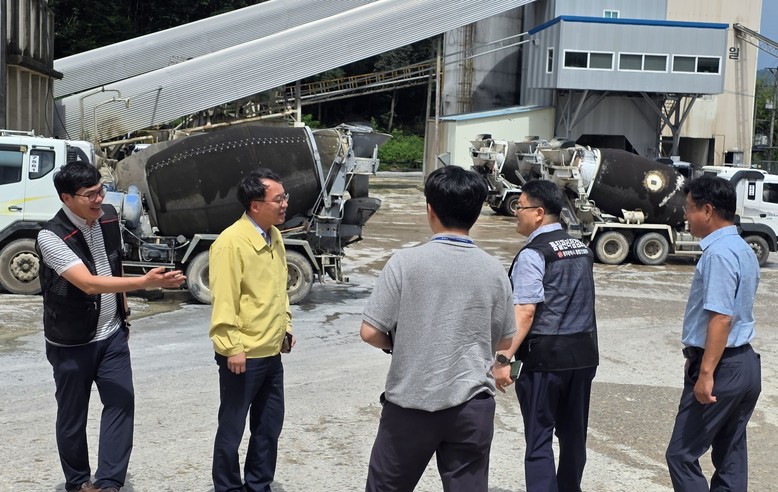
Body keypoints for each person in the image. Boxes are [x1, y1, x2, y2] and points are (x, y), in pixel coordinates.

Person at [360, 165, 516, 492]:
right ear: (476, 213)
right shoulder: (494, 270)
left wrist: (398, 343)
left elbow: (370, 332)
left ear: (430, 210)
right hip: (472, 405)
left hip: (411, 404)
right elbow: (505, 339)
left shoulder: (405, 263)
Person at [36, 161, 186, 492]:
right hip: (71, 342)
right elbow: (88, 284)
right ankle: (78, 482)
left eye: (100, 190)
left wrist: (124, 311)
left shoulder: (107, 217)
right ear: (66, 198)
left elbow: (114, 263)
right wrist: (144, 282)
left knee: (121, 401)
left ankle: (109, 483)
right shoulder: (51, 236)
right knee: (73, 416)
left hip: (112, 334)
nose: (99, 199)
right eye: (89, 194)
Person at [493, 179, 598, 492]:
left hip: (544, 359)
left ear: (539, 213)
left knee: (539, 439)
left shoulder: (534, 254)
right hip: (583, 355)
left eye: (520, 206)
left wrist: (503, 358)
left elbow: (525, 312)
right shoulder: (582, 249)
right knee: (573, 436)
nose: (516, 212)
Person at [665, 175, 761, 491]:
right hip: (744, 364)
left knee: (681, 454)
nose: (685, 215)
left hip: (722, 367)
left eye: (689, 208)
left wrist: (705, 372)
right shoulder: (743, 248)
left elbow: (721, 318)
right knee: (731, 454)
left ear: (707, 211)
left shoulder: (718, 253)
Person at [209, 168, 295, 492]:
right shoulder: (231, 243)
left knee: (269, 426)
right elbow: (224, 300)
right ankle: (228, 487)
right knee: (232, 429)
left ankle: (258, 485)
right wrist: (232, 347)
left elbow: (279, 290)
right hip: (243, 356)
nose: (285, 204)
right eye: (278, 199)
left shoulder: (274, 236)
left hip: (271, 353)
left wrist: (285, 327)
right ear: (255, 205)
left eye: (284, 197)